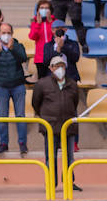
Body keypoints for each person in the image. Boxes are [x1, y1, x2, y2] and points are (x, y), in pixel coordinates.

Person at [31, 55, 82, 191]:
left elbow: (75, 102)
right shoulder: (42, 84)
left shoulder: (72, 84)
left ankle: (69, 181)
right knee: (51, 156)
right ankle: (51, 183)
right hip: (50, 126)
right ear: (51, 68)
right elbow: (36, 102)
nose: (60, 69)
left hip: (68, 126)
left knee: (69, 156)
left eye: (62, 66)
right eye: (56, 66)